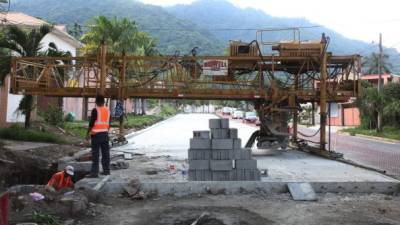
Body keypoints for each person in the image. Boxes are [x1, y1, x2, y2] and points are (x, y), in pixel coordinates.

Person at [87, 95, 111, 178]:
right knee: (106, 154)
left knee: (95, 155)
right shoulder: (108, 110)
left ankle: (94, 173)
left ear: (96, 102)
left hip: (96, 135)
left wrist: (87, 133)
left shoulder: (95, 110)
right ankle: (106, 171)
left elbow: (91, 123)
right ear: (104, 102)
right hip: (105, 134)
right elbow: (109, 123)